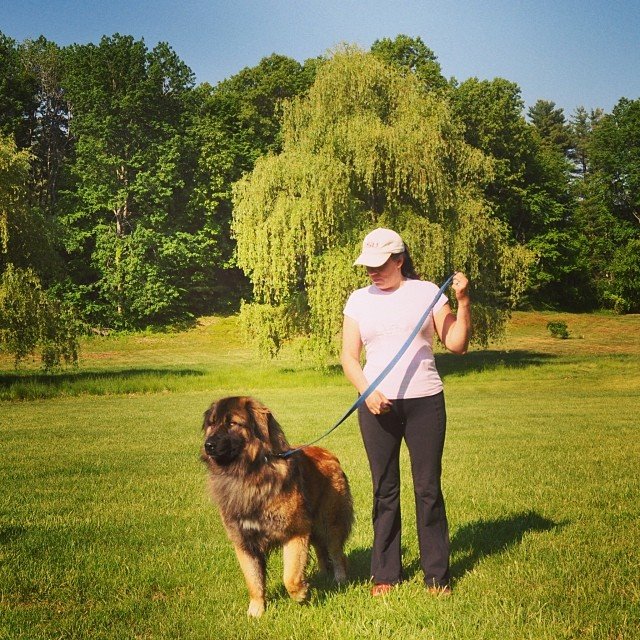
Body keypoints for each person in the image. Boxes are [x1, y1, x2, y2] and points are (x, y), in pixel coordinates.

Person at [340, 227, 471, 596]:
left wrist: (462, 301)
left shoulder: (427, 292)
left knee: (428, 488)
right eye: (367, 265)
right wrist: (366, 391)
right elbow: (348, 357)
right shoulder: (358, 300)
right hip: (376, 404)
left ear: (399, 260)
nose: (372, 271)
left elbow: (456, 344)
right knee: (384, 490)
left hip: (425, 402)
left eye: (380, 264)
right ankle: (385, 574)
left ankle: (436, 576)